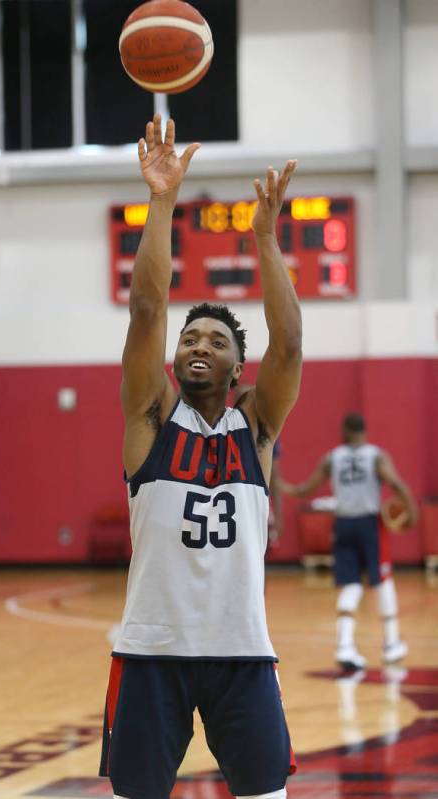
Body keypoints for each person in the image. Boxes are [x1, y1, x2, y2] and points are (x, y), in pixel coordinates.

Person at [99, 113, 302, 799]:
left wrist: (265, 241)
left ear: (239, 367)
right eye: (191, 339)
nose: (197, 346)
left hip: (242, 650)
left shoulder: (257, 427)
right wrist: (160, 201)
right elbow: (148, 305)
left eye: (215, 340)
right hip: (152, 652)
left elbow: (290, 345)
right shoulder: (150, 419)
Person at [280, 412, 418, 671]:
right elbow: (396, 483)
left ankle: (345, 646)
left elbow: (305, 490)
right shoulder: (376, 456)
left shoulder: (333, 457)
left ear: (345, 430)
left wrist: (282, 486)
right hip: (369, 525)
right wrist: (412, 512)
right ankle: (391, 644)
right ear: (364, 431)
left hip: (343, 524)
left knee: (350, 585)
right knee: (382, 580)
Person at [234, 383, 283, 544]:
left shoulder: (265, 436)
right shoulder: (223, 429)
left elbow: (274, 480)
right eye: (241, 400)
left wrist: (278, 515)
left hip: (255, 506)